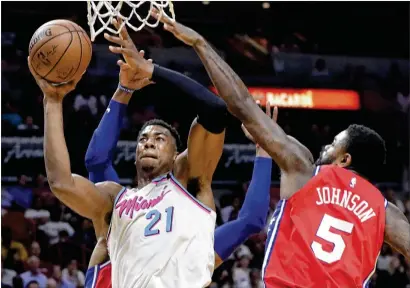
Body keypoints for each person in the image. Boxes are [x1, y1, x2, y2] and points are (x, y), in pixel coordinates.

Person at [150, 10, 410, 287]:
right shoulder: (387, 212)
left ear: (345, 159)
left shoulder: (306, 170)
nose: (326, 145)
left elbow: (241, 103)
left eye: (334, 144)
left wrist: (200, 44)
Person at [28, 17, 268, 288]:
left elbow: (214, 111)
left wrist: (150, 70)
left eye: (159, 138)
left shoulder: (190, 184)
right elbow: (61, 183)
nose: (149, 142)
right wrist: (53, 101)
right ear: (134, 154)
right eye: (143, 139)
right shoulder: (115, 199)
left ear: (177, 153)